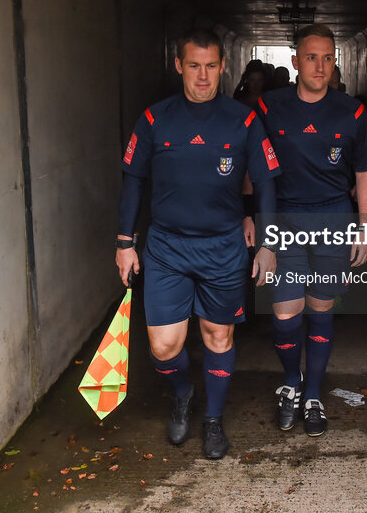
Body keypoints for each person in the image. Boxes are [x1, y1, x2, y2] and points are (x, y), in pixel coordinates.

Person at [115, 28, 280, 460]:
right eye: (194, 66)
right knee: (163, 346)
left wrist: (267, 243)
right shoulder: (155, 119)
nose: (202, 76)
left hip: (223, 246)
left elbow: (264, 183)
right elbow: (133, 180)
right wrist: (124, 241)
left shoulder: (243, 120)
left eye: (211, 66)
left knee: (216, 335)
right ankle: (184, 392)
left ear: (223, 66)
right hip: (167, 247)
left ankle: (213, 419)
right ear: (179, 66)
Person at [257, 24, 367, 436]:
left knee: (320, 308)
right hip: (284, 221)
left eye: (328, 58)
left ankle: (312, 394)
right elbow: (250, 168)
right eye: (311, 57)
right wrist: (248, 217)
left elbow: (365, 170)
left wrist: (363, 229)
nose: (320, 66)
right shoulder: (268, 107)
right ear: (295, 62)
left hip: (333, 222)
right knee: (286, 311)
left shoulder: (353, 111)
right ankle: (291, 382)